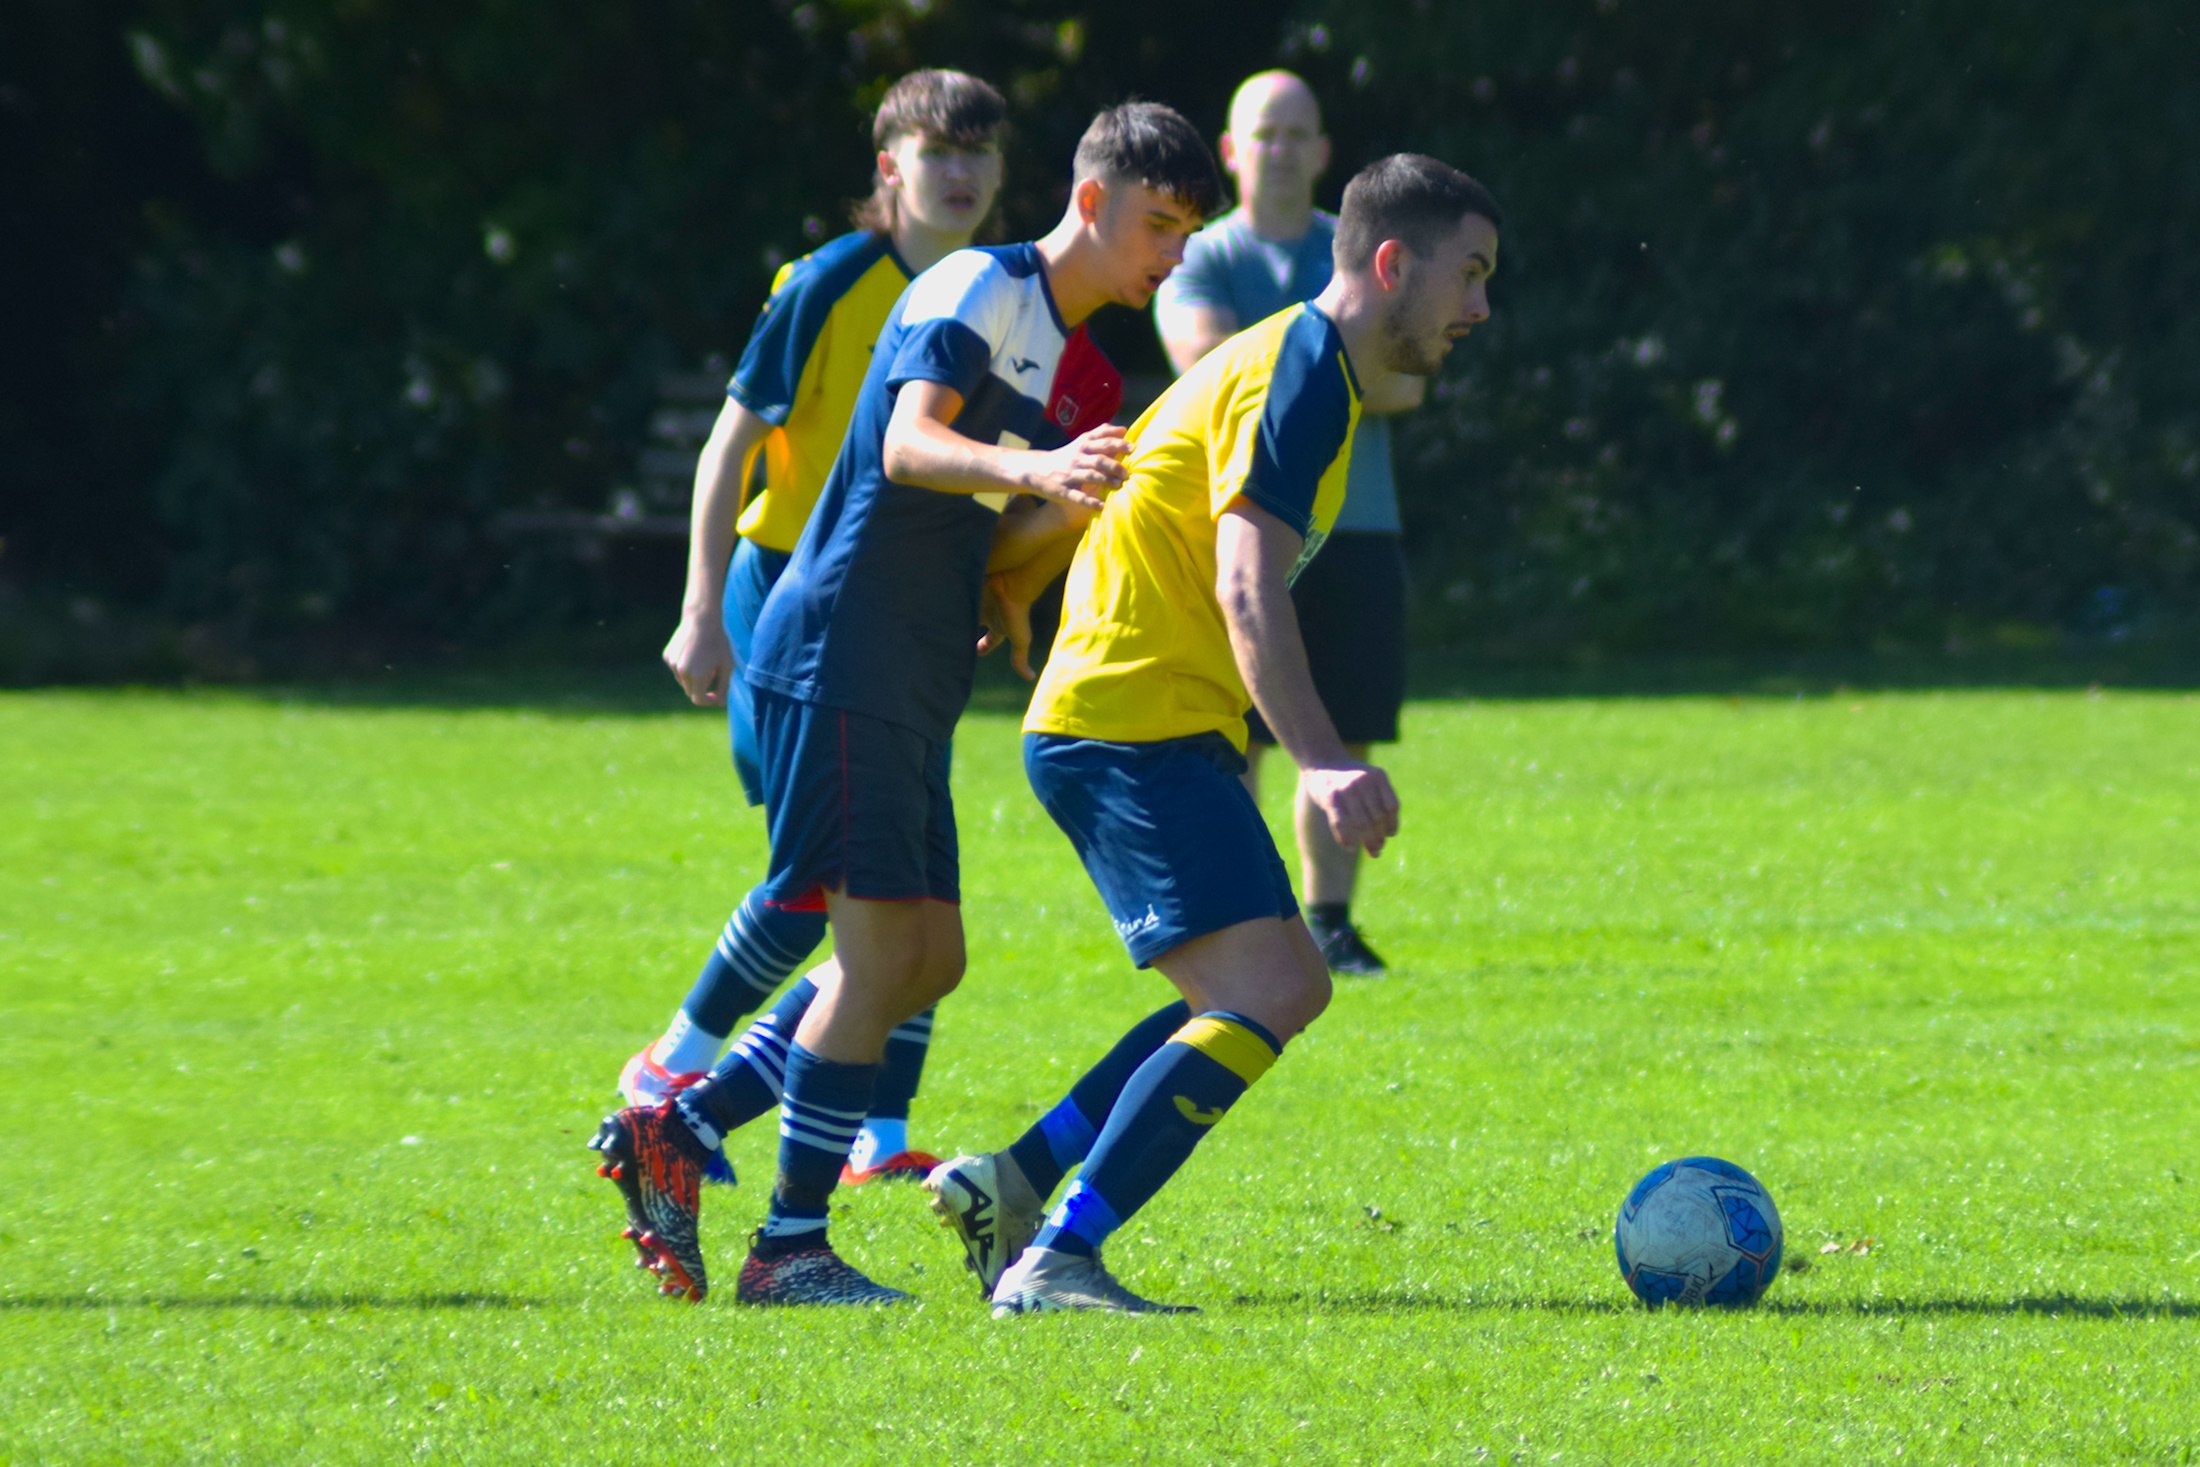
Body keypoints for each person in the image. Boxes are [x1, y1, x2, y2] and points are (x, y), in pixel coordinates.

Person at [588, 102, 1224, 1306]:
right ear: (1089, 202)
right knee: (878, 956)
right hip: (842, 658)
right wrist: (1035, 467)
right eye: (1158, 224)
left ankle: (688, 1124)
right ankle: (788, 1250)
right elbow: (909, 448)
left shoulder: (1064, 342)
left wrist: (1065, 521)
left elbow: (986, 525)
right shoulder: (980, 287)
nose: (1173, 254)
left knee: (928, 958)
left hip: (908, 672)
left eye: (1188, 231)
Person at [924, 154, 1503, 1315]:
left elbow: (1144, 481)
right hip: (1126, 723)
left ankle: (1017, 1182)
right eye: (1469, 275)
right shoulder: (1300, 373)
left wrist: (1020, 578)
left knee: (1261, 987)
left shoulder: (1294, 365)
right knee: (1275, 990)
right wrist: (1328, 759)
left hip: (1149, 720)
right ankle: (1058, 1260)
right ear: (1391, 264)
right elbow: (1249, 586)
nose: (1479, 308)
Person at [619, 71, 1007, 1190]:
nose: (964, 175)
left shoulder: (989, 289)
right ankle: (670, 1070)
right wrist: (701, 609)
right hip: (787, 598)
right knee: (829, 876)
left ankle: (873, 1139)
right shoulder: (831, 283)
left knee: (912, 865)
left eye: (981, 156)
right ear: (890, 169)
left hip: (894, 612)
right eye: (939, 154)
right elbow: (726, 447)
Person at [1152, 71, 1425, 977]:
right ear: (1231, 151)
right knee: (1234, 729)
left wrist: (1297, 368)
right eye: (1262, 133)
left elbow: (1408, 378)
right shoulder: (1200, 253)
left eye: (1296, 133)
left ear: (1323, 152)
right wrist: (1342, 366)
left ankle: (1331, 919)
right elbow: (1205, 360)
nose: (1279, 149)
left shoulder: (1361, 251)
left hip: (1360, 526)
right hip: (1245, 523)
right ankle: (1244, 910)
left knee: (1345, 730)